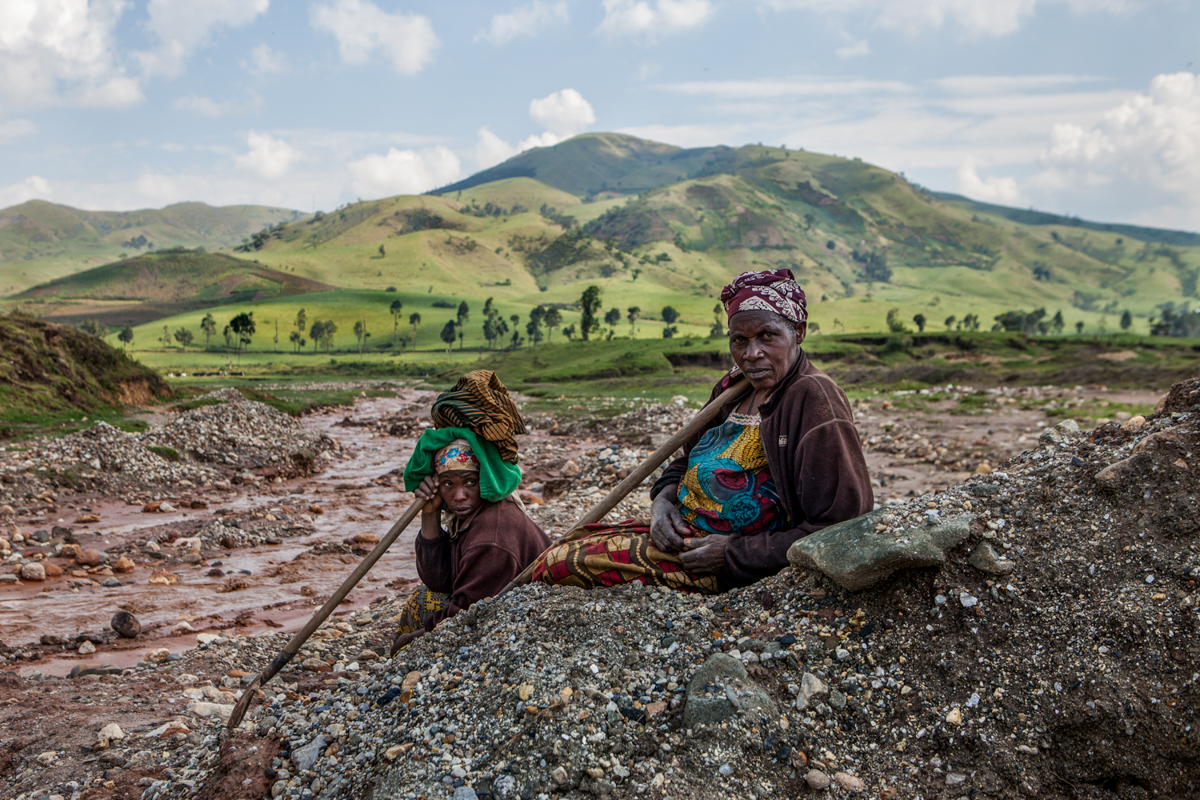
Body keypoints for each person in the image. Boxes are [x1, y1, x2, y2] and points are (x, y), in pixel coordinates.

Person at [533, 268, 872, 592]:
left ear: (798, 332)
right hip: (686, 534)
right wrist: (662, 503)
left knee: (560, 564)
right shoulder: (734, 389)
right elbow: (686, 459)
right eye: (739, 340)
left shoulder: (814, 398)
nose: (751, 354)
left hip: (731, 564)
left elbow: (842, 526)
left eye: (767, 336)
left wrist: (733, 554)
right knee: (564, 545)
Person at [390, 437, 550, 654]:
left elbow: (467, 615)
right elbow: (439, 580)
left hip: (521, 623)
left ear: (483, 479)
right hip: (489, 605)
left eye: (469, 482)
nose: (459, 496)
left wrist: (412, 640)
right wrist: (430, 514)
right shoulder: (472, 513)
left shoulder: (490, 538)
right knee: (421, 599)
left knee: (414, 630)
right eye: (448, 484)